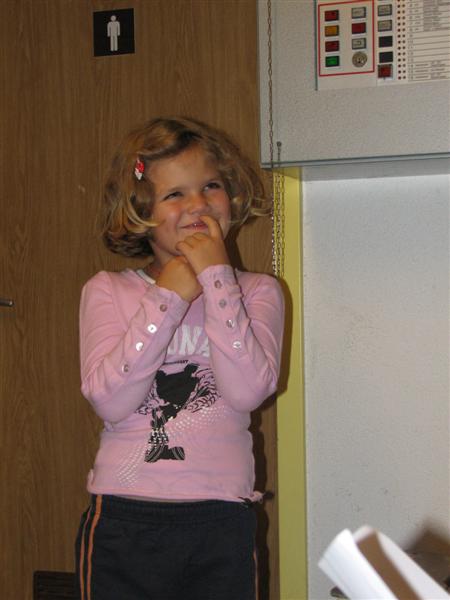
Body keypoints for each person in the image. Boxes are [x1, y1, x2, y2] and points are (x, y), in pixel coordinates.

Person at [75, 117, 285, 600]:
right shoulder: (107, 291)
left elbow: (247, 391)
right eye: (175, 194)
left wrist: (217, 279)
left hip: (221, 516)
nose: (198, 205)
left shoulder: (258, 292)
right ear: (140, 213)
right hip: (126, 515)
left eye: (210, 186)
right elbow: (110, 400)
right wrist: (167, 297)